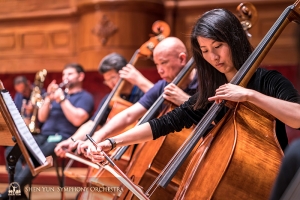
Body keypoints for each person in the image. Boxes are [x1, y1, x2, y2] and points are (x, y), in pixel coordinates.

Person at [87, 8, 300, 181]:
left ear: (234, 41)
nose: (213, 57)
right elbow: (165, 123)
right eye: (205, 50)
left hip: (273, 180)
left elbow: (297, 117)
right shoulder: (213, 93)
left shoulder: (268, 80)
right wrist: (113, 142)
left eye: (218, 46)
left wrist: (249, 95)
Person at [76, 36, 198, 154]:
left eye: (163, 63)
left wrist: (186, 101)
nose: (159, 70)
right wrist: (98, 136)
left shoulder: (204, 81)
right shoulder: (162, 86)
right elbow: (128, 115)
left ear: (182, 59)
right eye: (156, 64)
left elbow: (214, 119)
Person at [0, 63, 94, 200]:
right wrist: (48, 99)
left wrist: (62, 100)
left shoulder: (85, 97)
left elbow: (77, 120)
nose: (65, 77)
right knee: (11, 151)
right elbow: (41, 118)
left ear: (80, 76)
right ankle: (18, 194)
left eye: (70, 74)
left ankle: (9, 194)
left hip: (64, 137)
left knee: (38, 157)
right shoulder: (55, 96)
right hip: (44, 135)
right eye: (64, 74)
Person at [54, 53, 153, 157]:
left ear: (125, 72)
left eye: (113, 77)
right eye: (107, 80)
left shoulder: (144, 93)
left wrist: (139, 80)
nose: (111, 83)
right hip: (117, 153)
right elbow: (92, 124)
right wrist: (72, 141)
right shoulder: (109, 99)